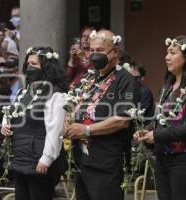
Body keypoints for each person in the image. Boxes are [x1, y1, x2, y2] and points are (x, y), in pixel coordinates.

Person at [133, 35, 186, 200]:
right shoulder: (168, 86)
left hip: (185, 161)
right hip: (162, 159)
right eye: (167, 52)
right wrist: (146, 131)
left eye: (172, 53)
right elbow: (161, 120)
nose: (166, 57)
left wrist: (156, 136)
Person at [65, 29, 140, 200]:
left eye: (100, 51)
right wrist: (67, 119)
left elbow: (122, 120)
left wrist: (87, 130)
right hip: (81, 162)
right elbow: (72, 105)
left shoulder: (126, 79)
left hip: (106, 164)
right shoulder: (88, 79)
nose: (94, 55)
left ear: (114, 52)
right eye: (91, 51)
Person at [1, 46, 68, 200]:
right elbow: (11, 113)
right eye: (28, 63)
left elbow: (55, 130)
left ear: (46, 68)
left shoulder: (55, 94)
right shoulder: (23, 92)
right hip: (20, 156)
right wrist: (5, 124)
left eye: (35, 64)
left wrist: (46, 158)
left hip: (39, 159)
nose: (30, 67)